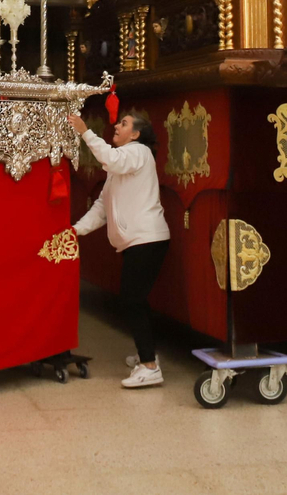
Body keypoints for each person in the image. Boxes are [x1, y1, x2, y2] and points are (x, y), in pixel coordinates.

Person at [69, 108, 171, 389]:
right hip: (138, 241)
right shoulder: (121, 165)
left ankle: (149, 366)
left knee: (132, 300)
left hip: (147, 240)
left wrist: (84, 131)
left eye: (123, 124)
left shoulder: (138, 152)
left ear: (135, 134)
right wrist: (75, 230)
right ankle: (146, 355)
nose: (116, 125)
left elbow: (110, 158)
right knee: (134, 300)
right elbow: (101, 207)